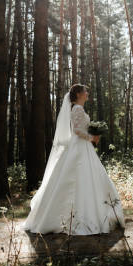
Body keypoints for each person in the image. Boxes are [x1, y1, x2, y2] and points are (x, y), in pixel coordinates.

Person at [23, 84, 125, 235]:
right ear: (78, 94)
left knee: (89, 177)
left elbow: (81, 128)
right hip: (79, 147)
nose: (87, 93)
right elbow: (77, 131)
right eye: (85, 91)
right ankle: (77, 219)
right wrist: (92, 138)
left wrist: (92, 133)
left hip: (83, 147)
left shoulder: (79, 109)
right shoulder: (77, 109)